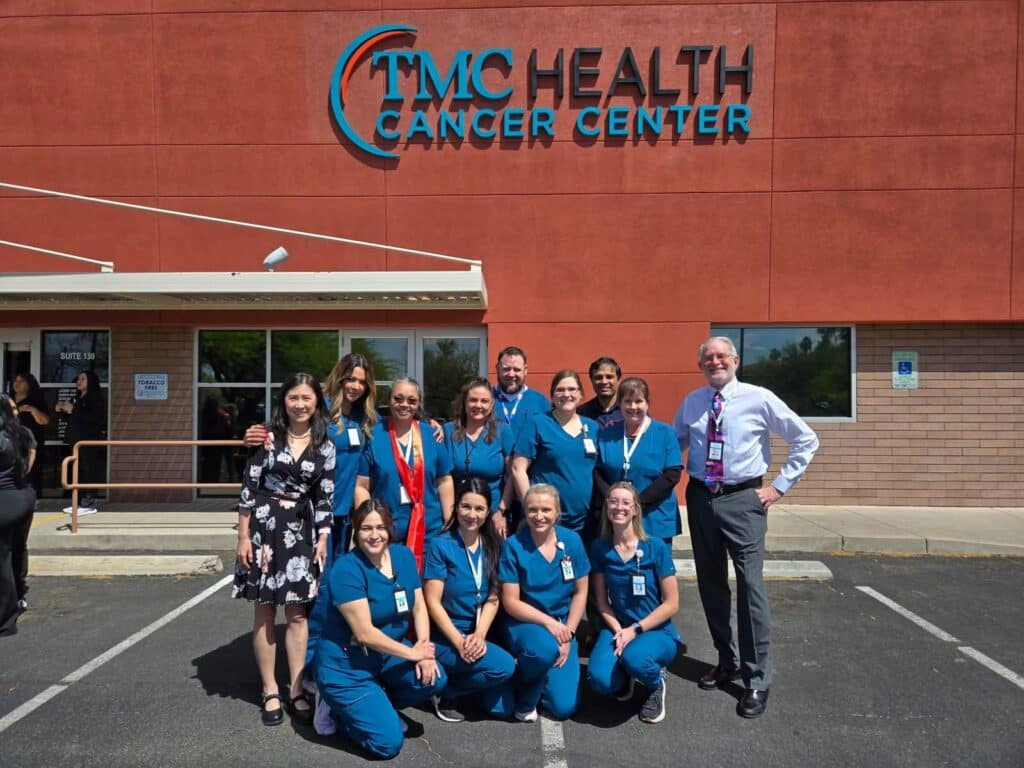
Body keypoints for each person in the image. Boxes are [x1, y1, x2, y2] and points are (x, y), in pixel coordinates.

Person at [674, 336, 819, 719]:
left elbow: (806, 439)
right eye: (708, 358)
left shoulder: (759, 398)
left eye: (722, 356)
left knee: (751, 588)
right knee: (711, 585)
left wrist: (778, 487)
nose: (715, 362)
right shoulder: (693, 402)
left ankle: (757, 679)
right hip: (702, 499)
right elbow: (672, 445)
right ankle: (727, 661)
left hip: (744, 499)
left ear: (735, 360)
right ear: (701, 365)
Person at [232, 372, 335, 726]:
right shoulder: (267, 436)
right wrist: (243, 537)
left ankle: (295, 689)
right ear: (284, 401)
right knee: (264, 612)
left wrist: (322, 538)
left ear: (317, 402)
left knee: (297, 614)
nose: (301, 404)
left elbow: (324, 498)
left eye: (307, 398)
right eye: (294, 398)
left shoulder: (325, 444)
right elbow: (248, 488)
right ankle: (269, 689)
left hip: (300, 532)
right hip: (263, 528)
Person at [314, 499, 445, 759]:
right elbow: (364, 633)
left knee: (435, 679)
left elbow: (418, 606)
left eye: (380, 527)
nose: (374, 535)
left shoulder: (403, 556)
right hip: (346, 665)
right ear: (355, 530)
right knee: (387, 744)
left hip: (384, 655)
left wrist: (425, 649)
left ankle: (377, 706)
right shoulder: (346, 569)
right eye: (365, 528)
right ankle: (335, 708)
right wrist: (413, 655)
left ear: (390, 529)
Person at [587, 482, 681, 724]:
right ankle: (626, 675)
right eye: (613, 501)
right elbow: (601, 602)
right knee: (598, 680)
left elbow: (672, 604)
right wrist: (619, 631)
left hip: (654, 629)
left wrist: (635, 630)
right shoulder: (600, 548)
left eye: (625, 502)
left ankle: (655, 681)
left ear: (636, 509)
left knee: (636, 659)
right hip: (618, 626)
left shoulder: (655, 547)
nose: (619, 507)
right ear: (606, 506)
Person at [423, 477, 515, 722]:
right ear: (456, 507)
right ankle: (446, 691)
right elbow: (432, 602)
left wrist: (480, 635)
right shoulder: (440, 545)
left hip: (478, 633)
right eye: (466, 506)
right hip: (447, 635)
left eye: (479, 508)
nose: (471, 514)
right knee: (504, 666)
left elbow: (494, 597)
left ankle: (456, 685)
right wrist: (459, 641)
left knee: (503, 708)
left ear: (488, 512)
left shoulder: (494, 545)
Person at [498, 483, 589, 722]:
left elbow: (580, 592)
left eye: (546, 510)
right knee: (543, 650)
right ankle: (527, 692)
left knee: (563, 707)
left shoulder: (572, 541)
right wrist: (552, 625)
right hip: (525, 623)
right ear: (525, 512)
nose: (539, 516)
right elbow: (511, 602)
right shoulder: (514, 546)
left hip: (562, 627)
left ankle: (539, 674)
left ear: (557, 512)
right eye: (532, 510)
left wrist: (567, 633)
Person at [355, 378, 454, 569]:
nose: (404, 405)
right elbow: (362, 486)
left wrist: (449, 519)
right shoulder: (374, 436)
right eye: (398, 399)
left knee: (428, 591)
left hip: (429, 530)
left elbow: (444, 480)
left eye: (411, 400)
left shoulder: (431, 434)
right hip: (386, 531)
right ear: (389, 400)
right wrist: (365, 523)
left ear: (418, 403)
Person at [511, 370, 599, 538]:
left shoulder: (593, 427)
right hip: (545, 520)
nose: (567, 394)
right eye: (560, 390)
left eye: (572, 389)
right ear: (552, 395)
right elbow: (518, 469)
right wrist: (531, 508)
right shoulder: (537, 423)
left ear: (581, 394)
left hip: (584, 521)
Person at [595, 377, 683, 546]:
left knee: (656, 568)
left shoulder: (665, 432)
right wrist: (616, 502)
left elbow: (672, 474)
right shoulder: (607, 434)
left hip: (655, 516)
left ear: (647, 403)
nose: (633, 407)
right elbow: (597, 472)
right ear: (619, 404)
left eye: (638, 401)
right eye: (627, 401)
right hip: (618, 515)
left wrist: (637, 504)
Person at [443, 378, 515, 538]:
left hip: (493, 514)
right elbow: (443, 477)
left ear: (491, 405)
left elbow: (512, 475)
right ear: (464, 402)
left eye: (484, 401)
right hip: (459, 513)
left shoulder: (503, 431)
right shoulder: (448, 431)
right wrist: (449, 516)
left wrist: (502, 511)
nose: (478, 405)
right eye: (473, 400)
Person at [0, 397, 36, 636]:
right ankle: (15, 602)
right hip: (21, 497)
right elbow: (29, 460)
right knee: (14, 550)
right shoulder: (20, 434)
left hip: (4, 501)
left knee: (5, 557)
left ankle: (6, 617)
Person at [12, 373, 48, 610]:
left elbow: (45, 421)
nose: (16, 383)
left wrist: (30, 410)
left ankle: (17, 588)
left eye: (20, 379)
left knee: (17, 542)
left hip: (22, 479)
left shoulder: (35, 402)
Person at [55, 370, 105, 514]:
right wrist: (61, 410)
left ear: (91, 381)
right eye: (78, 379)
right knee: (78, 471)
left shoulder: (96, 399)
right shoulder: (76, 398)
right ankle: (78, 502)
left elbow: (95, 419)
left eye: (83, 378)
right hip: (74, 440)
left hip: (88, 441)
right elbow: (71, 419)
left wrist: (73, 410)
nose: (79, 381)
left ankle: (89, 504)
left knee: (89, 471)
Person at [492, 346, 550, 442]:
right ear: (497, 368)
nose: (511, 374)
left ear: (525, 370)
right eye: (506, 369)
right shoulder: (484, 400)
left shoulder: (541, 402)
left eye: (516, 370)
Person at [578, 356, 624, 428]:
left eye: (609, 377)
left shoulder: (630, 410)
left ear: (618, 379)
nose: (604, 382)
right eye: (598, 377)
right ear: (591, 380)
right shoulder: (581, 413)